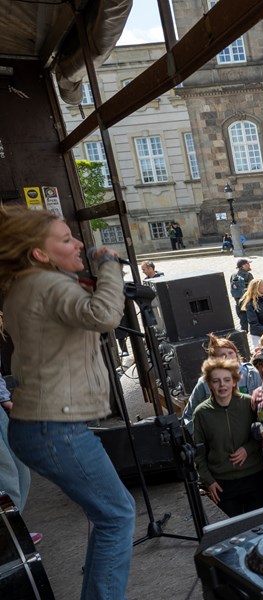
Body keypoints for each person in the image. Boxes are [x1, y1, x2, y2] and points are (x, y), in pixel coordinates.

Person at [0, 207, 135, 599]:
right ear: (39, 254)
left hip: (40, 426)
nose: (78, 243)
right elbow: (105, 315)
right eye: (64, 239)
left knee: (109, 514)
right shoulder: (48, 286)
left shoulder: (26, 286)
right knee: (117, 515)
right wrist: (109, 267)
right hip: (55, 429)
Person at [193, 357, 263, 517]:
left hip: (254, 477)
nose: (222, 385)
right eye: (216, 381)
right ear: (209, 384)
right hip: (222, 485)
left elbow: (262, 436)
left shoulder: (249, 403)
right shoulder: (201, 413)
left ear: (235, 381)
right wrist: (209, 481)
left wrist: (247, 449)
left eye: (227, 380)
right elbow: (198, 452)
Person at [231, 258, 253, 332]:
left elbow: (233, 289)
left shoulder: (234, 275)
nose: (249, 265)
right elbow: (253, 289)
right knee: (253, 322)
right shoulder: (248, 275)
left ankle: (244, 339)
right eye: (248, 264)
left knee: (243, 324)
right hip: (248, 303)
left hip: (238, 303)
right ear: (243, 266)